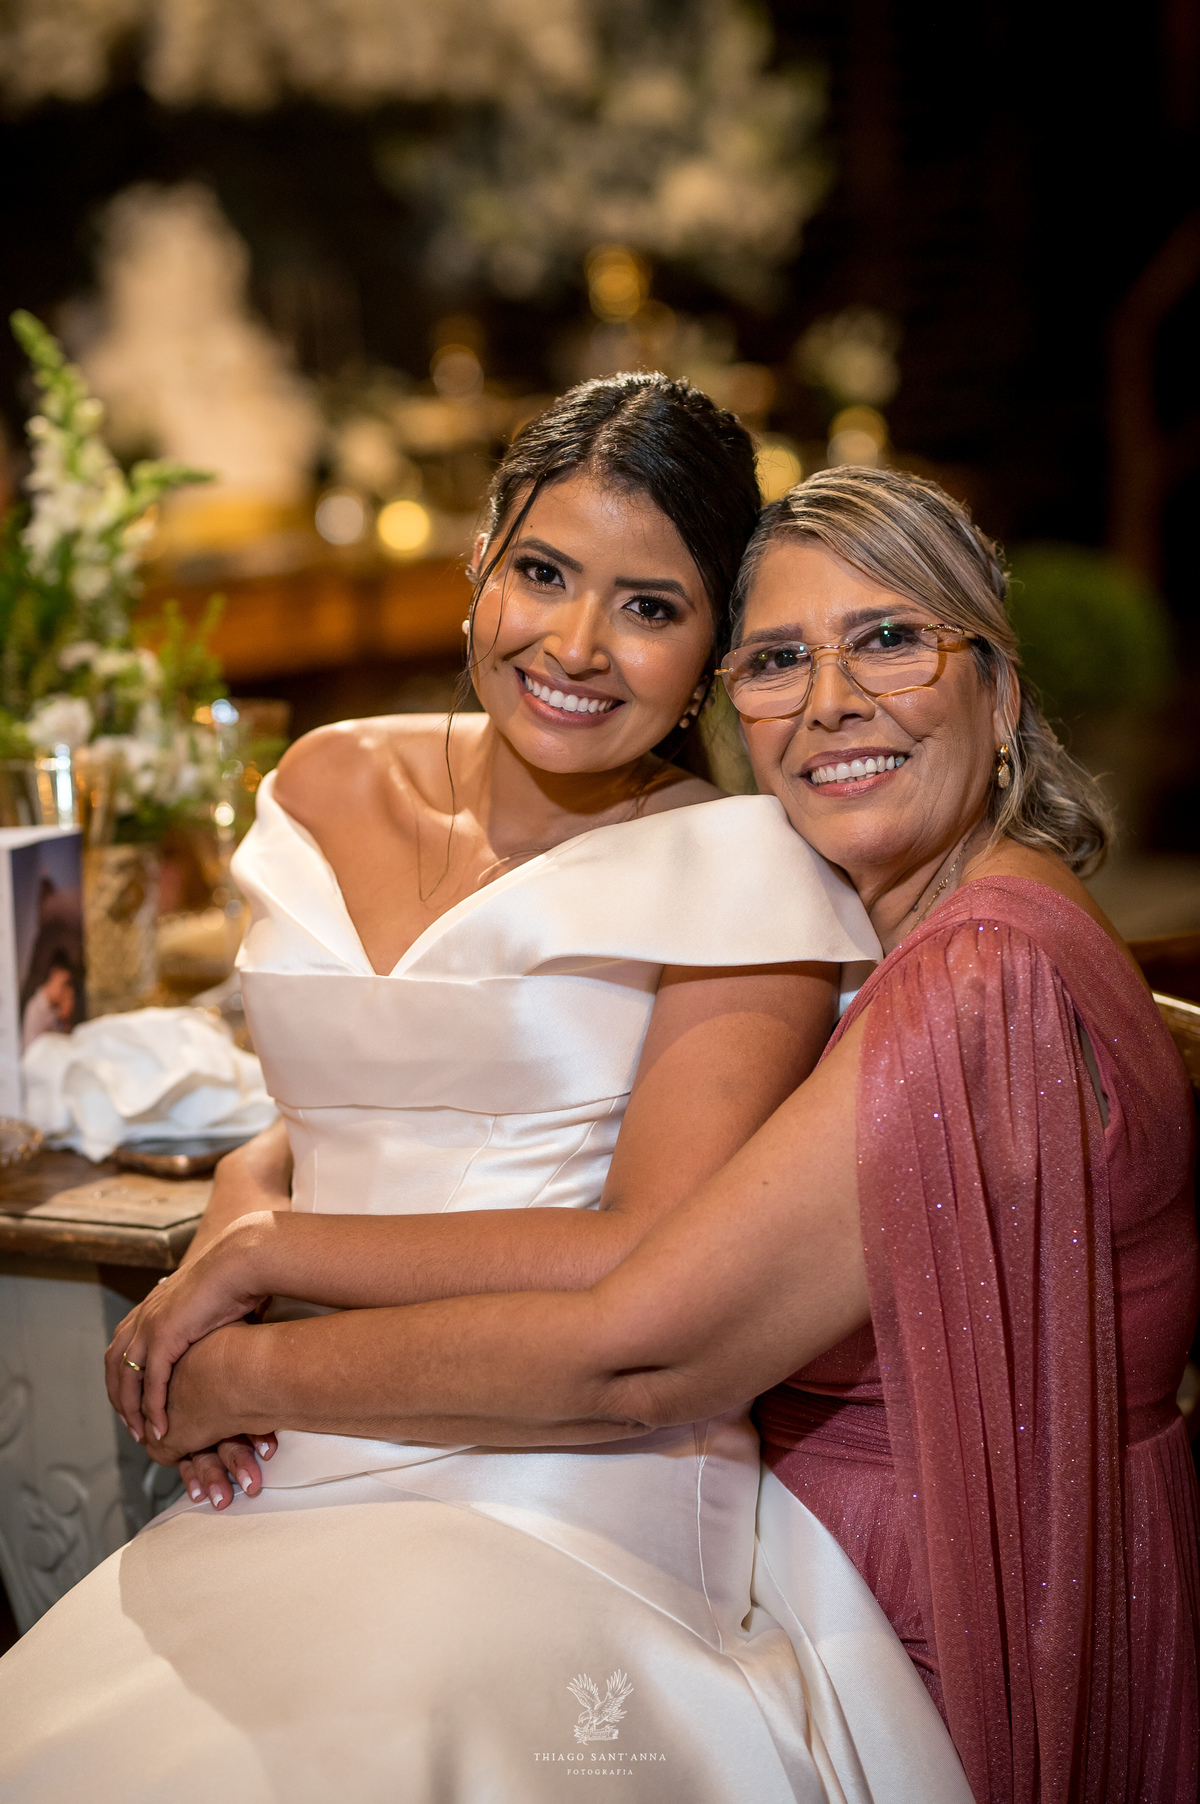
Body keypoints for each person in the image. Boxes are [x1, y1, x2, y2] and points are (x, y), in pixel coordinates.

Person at [87, 466, 1198, 1801]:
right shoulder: (896, 919)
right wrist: (264, 1165)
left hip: (959, 1612)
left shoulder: (979, 981)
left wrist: (240, 1376)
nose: (832, 701)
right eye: (778, 659)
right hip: (824, 1551)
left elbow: (643, 1354)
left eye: (892, 639)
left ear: (1001, 692)